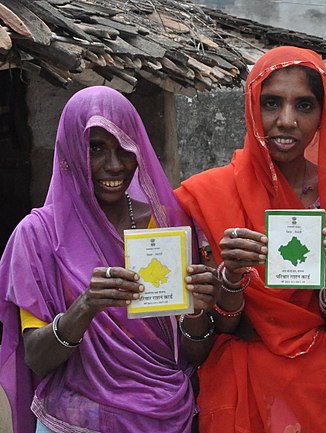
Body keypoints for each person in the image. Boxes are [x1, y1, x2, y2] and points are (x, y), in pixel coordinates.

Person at [175, 46, 326, 433]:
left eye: (304, 106)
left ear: (323, 115)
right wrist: (230, 278)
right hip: (243, 390)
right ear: (252, 106)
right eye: (271, 103)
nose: (286, 121)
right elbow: (213, 330)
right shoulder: (207, 196)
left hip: (323, 392)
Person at [0, 86, 220, 433]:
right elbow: (37, 359)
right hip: (76, 421)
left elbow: (195, 354)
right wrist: (85, 306)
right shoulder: (39, 236)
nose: (114, 165)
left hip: (167, 416)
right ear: (71, 149)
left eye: (125, 148)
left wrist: (198, 311)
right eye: (96, 148)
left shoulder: (168, 225)